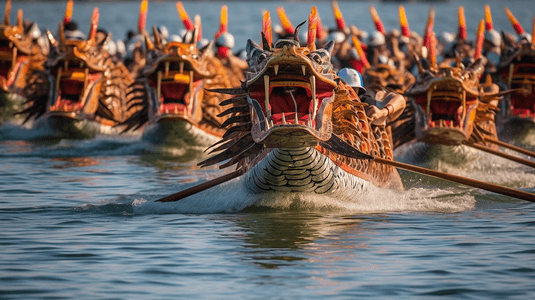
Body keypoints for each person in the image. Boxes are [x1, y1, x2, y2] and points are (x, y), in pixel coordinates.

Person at [337, 68, 405, 126]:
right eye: (346, 89)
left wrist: (382, 112)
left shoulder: (366, 103)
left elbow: (400, 100)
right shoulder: (331, 103)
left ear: (359, 90)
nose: (350, 92)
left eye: (353, 89)